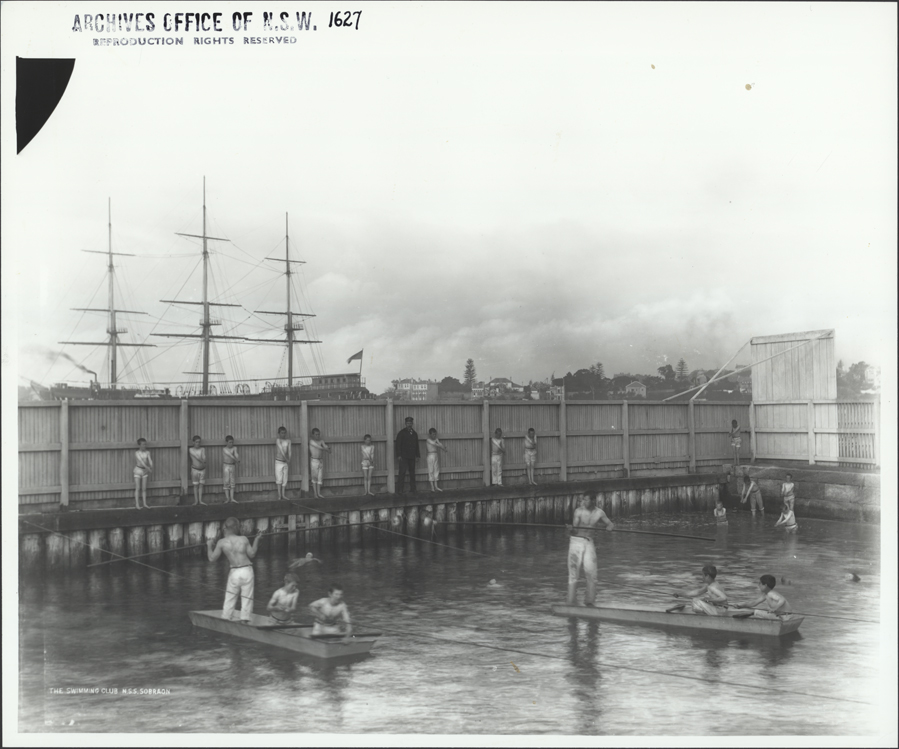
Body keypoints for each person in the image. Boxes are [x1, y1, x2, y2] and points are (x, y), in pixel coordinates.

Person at [206, 517, 265, 623]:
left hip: (234, 572)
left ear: (225, 528)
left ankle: (226, 617)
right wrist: (257, 540)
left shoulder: (221, 542)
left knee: (230, 596)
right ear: (236, 527)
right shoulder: (243, 539)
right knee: (247, 597)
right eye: (239, 526)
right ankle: (245, 618)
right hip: (247, 570)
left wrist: (209, 546)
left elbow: (211, 559)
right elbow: (252, 554)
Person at [566, 493, 615, 606]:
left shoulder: (599, 513)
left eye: (586, 500)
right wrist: (570, 529)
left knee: (592, 574)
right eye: (583, 500)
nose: (584, 502)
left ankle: (590, 602)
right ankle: (570, 602)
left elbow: (610, 524)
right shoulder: (578, 511)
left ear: (593, 500)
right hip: (576, 542)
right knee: (573, 574)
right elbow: (575, 531)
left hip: (589, 542)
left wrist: (609, 527)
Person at [395, 416, 420, 493]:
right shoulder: (401, 433)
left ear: (412, 424)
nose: (409, 424)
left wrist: (417, 455)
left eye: (410, 423)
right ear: (405, 424)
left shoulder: (415, 433)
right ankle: (400, 490)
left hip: (412, 456)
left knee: (412, 473)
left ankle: (413, 489)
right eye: (408, 423)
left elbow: (416, 445)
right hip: (403, 456)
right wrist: (399, 455)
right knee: (402, 472)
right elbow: (398, 445)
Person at [309, 428, 331, 499]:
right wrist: (326, 449)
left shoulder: (321, 441)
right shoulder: (311, 441)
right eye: (316, 434)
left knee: (319, 478)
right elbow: (319, 447)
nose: (317, 436)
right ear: (313, 435)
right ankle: (315, 494)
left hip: (320, 460)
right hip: (314, 461)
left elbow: (324, 446)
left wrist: (328, 448)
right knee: (314, 478)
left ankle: (319, 493)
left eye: (318, 434)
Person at [133, 438, 153, 510]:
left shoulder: (147, 452)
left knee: (144, 489)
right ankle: (137, 504)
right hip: (138, 470)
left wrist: (151, 466)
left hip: (145, 471)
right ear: (139, 445)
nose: (145, 446)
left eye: (145, 444)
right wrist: (148, 468)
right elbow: (141, 462)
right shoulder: (137, 453)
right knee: (138, 488)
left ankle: (144, 504)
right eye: (143, 444)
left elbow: (150, 460)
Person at [426, 428, 447, 492]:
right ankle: (432, 487)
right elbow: (434, 444)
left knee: (436, 470)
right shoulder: (428, 440)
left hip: (435, 455)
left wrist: (443, 448)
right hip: (430, 456)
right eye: (433, 434)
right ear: (430, 434)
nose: (434, 436)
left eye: (435, 434)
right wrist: (442, 447)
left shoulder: (436, 439)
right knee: (431, 470)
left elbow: (439, 443)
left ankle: (436, 486)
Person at [189, 435, 207, 506]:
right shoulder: (191, 449)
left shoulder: (202, 449)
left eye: (199, 442)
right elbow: (197, 457)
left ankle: (200, 500)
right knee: (195, 485)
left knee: (201, 485)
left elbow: (204, 457)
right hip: (195, 470)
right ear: (193, 442)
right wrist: (203, 461)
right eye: (196, 442)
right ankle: (196, 501)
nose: (198, 443)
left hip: (202, 469)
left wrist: (204, 459)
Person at [275, 426, 292, 500]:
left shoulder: (288, 441)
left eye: (284, 433)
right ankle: (279, 495)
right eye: (282, 433)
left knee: (285, 479)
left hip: (285, 462)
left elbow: (290, 451)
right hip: (279, 461)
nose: (283, 434)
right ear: (279, 433)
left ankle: (283, 495)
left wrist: (289, 459)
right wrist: (286, 459)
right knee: (279, 479)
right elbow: (281, 450)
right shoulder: (278, 440)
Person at [223, 435, 240, 504]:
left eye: (232, 442)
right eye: (230, 442)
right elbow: (230, 455)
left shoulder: (234, 448)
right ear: (226, 442)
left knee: (232, 482)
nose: (231, 444)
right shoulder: (224, 449)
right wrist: (236, 460)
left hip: (232, 465)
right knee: (226, 481)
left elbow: (236, 454)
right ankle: (227, 498)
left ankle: (232, 498)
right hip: (226, 466)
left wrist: (238, 458)